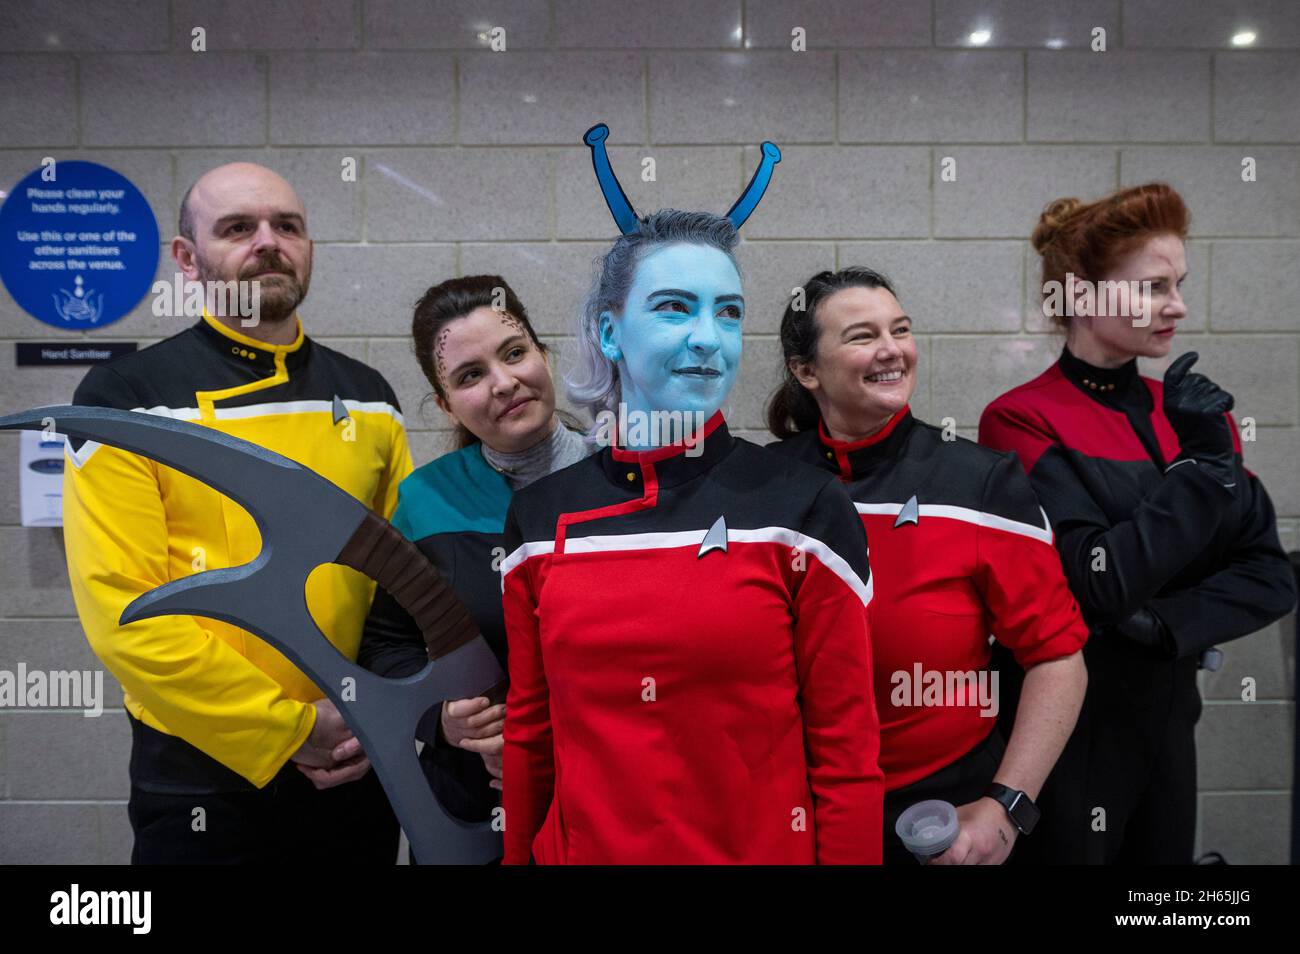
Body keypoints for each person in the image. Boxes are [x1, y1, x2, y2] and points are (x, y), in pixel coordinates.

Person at [500, 207, 884, 865]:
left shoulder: (804, 509)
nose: (709, 337)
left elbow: (846, 752)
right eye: (676, 308)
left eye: (728, 313)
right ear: (611, 333)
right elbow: (531, 735)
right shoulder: (538, 520)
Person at [62, 162, 413, 863]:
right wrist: (282, 727)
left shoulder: (369, 397)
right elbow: (124, 612)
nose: (268, 242)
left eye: (288, 226)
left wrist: (372, 707)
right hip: (200, 773)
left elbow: (402, 587)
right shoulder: (122, 395)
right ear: (187, 259)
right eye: (237, 228)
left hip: (356, 758)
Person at [980, 183, 1297, 864]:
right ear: (1084, 296)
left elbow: (1269, 573)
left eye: (1179, 284)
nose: (1179, 306)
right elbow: (1097, 582)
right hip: (1072, 728)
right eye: (1154, 287)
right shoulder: (1021, 419)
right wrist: (1199, 474)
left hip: (1170, 718)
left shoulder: (1190, 413)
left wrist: (1163, 628)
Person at [766, 266, 1089, 865]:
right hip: (793, 811)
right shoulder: (763, 486)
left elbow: (1057, 658)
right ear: (806, 370)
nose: (892, 350)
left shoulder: (981, 482)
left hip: (939, 816)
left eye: (901, 329)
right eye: (862, 336)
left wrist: (1006, 809)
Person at [357, 275, 588, 847]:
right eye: (470, 376)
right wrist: (441, 721)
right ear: (445, 404)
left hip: (608, 798)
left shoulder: (622, 477)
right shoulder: (425, 500)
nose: (504, 383)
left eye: (514, 353)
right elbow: (384, 649)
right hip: (472, 814)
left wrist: (548, 747)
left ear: (543, 354)